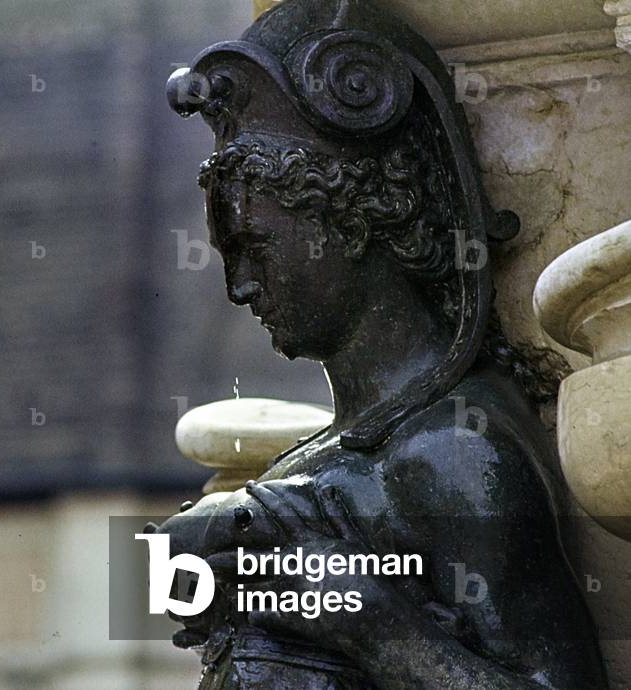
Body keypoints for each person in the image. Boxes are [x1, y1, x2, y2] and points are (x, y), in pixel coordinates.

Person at [156, 1, 607, 687]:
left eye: (256, 249)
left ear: (352, 220)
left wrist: (376, 632)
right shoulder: (345, 453)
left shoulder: (451, 452)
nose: (240, 287)